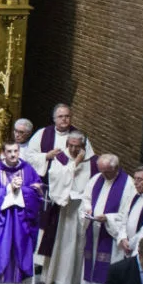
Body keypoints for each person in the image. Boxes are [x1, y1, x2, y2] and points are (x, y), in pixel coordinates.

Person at [28, 104, 94, 266]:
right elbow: (29, 156)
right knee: (44, 222)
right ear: (54, 119)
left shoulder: (78, 136)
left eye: (67, 116)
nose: (65, 119)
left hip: (70, 190)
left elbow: (89, 161)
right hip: (46, 186)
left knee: (60, 227)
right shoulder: (43, 134)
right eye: (61, 116)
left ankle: (53, 263)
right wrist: (46, 156)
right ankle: (39, 261)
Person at [0, 142, 43, 284]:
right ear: (3, 153)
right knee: (0, 251)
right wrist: (9, 189)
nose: (13, 154)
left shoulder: (28, 170)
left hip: (23, 223)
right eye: (9, 151)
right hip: (2, 224)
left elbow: (37, 193)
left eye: (16, 151)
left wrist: (22, 191)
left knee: (21, 251)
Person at [37, 131, 95, 284]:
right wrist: (75, 162)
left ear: (83, 146)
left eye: (77, 146)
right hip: (64, 209)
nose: (74, 149)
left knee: (76, 246)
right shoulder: (60, 158)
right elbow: (56, 178)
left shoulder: (92, 161)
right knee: (60, 244)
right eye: (71, 145)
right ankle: (54, 279)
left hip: (81, 209)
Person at [78, 155, 135, 284]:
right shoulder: (97, 178)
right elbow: (86, 198)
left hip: (109, 235)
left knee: (107, 267)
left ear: (116, 168)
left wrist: (108, 218)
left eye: (107, 172)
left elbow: (126, 213)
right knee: (90, 261)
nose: (104, 175)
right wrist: (88, 209)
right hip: (94, 229)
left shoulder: (128, 185)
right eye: (102, 171)